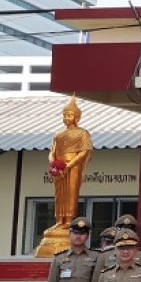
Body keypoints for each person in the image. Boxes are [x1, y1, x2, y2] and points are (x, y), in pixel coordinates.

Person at [49, 95, 93, 228]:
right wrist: (54, 164)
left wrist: (69, 165)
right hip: (59, 167)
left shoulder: (82, 133)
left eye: (70, 115)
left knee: (71, 193)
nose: (67, 118)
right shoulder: (58, 135)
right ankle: (59, 220)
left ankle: (68, 219)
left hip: (73, 166)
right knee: (59, 194)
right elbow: (52, 151)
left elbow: (84, 151)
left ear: (77, 117)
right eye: (65, 115)